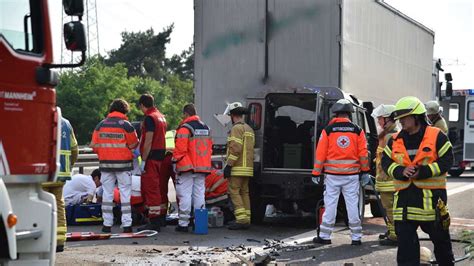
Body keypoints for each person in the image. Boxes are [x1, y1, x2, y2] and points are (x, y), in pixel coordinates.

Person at [382, 96, 454, 265]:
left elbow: (447, 160)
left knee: (441, 241)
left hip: (432, 201)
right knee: (406, 245)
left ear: (416, 116)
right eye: (399, 119)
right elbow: (385, 162)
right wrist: (401, 171)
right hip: (404, 202)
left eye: (404, 118)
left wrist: (423, 172)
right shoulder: (395, 139)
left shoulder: (437, 136)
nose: (401, 123)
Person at [312, 99, 369, 246]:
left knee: (330, 204)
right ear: (349, 114)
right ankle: (356, 237)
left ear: (335, 114)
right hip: (351, 176)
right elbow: (363, 153)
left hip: (332, 175)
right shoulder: (358, 130)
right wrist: (365, 171)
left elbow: (320, 153)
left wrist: (316, 173)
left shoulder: (328, 130)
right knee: (352, 205)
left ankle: (325, 236)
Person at [90, 99, 139, 233]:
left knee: (107, 194)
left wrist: (105, 153)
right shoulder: (126, 125)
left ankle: (107, 225)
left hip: (106, 165)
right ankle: (127, 225)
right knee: (125, 193)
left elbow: (94, 146)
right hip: (123, 165)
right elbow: (134, 144)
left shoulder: (100, 125)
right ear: (125, 110)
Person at [172, 103, 213, 232]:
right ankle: (200, 225)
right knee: (199, 195)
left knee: (185, 195)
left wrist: (174, 161)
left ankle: (183, 224)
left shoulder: (185, 128)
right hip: (202, 167)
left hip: (187, 167)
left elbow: (180, 149)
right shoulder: (206, 127)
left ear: (186, 114)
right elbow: (209, 148)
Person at [42, 117, 78, 252]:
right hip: (60, 173)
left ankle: (44, 240)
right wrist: (69, 166)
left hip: (42, 174)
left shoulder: (37, 118)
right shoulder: (65, 123)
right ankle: (60, 242)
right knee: (59, 206)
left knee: (42, 206)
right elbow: (74, 149)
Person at [137, 93, 167, 231]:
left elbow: (148, 140)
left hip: (151, 157)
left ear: (143, 105)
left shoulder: (150, 118)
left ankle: (154, 220)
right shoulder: (160, 116)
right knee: (158, 187)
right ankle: (160, 218)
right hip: (161, 156)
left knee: (151, 189)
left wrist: (143, 159)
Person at [223, 102, 255, 230]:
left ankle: (241, 220)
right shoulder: (249, 129)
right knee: (244, 193)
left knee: (234, 191)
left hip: (237, 167)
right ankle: (247, 218)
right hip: (247, 168)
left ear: (232, 115)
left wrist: (228, 166)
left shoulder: (236, 128)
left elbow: (235, 149)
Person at [371, 104, 399, 246]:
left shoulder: (390, 136)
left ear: (387, 119)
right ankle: (391, 231)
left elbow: (392, 158)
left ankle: (395, 236)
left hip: (389, 181)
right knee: (389, 208)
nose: (378, 121)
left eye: (380, 119)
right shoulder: (388, 134)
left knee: (390, 208)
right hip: (386, 179)